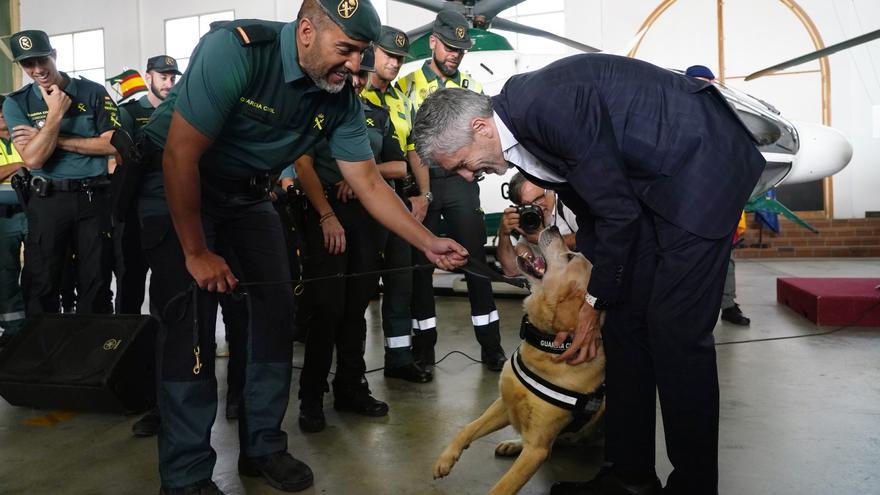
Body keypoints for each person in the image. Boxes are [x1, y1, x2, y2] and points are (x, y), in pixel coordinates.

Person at [138, 1, 466, 493]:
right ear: (307, 31)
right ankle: (185, 475)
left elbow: (370, 184)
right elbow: (180, 153)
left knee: (275, 315)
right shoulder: (239, 51)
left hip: (249, 196)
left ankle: (264, 445)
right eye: (347, 50)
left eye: (362, 54)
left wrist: (428, 242)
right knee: (191, 331)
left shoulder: (340, 98)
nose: (356, 65)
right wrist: (196, 251)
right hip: (180, 185)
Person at [411, 53, 765, 495]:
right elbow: (598, 212)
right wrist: (601, 299)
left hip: (701, 169)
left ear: (481, 128)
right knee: (626, 326)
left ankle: (693, 487)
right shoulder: (519, 134)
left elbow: (616, 211)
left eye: (462, 163)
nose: (467, 176)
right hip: (650, 191)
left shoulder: (545, 108)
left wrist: (592, 302)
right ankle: (629, 476)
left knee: (675, 334)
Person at [295, 49, 408, 432]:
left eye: (363, 77)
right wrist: (326, 214)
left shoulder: (374, 114)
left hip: (365, 214)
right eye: (354, 75)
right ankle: (311, 396)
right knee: (326, 308)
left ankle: (350, 387)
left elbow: (401, 165)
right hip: (325, 212)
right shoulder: (317, 108)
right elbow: (303, 164)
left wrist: (363, 175)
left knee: (357, 305)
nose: (357, 82)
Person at [397, 10, 506, 372]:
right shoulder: (407, 86)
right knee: (421, 266)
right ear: (433, 43)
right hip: (423, 182)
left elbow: (487, 136)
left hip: (460, 184)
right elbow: (402, 141)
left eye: (460, 49)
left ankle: (490, 346)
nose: (454, 55)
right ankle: (424, 349)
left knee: (474, 260)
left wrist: (477, 169)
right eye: (448, 47)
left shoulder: (472, 86)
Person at [3, 29, 118, 316]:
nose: (38, 70)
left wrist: (54, 138)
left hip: (94, 198)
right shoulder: (17, 102)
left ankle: (93, 357)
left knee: (96, 281)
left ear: (54, 55)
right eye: (28, 64)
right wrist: (55, 113)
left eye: (42, 60)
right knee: (41, 283)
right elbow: (33, 159)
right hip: (48, 202)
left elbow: (113, 144)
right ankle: (42, 358)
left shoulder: (92, 92)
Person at [361, 26, 432, 383]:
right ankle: (350, 371)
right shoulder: (356, 93)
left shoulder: (402, 100)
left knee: (401, 283)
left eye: (400, 59)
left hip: (398, 195)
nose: (394, 63)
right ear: (373, 52)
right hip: (361, 200)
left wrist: (423, 194)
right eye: (389, 56)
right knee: (358, 288)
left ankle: (399, 357)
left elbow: (411, 151)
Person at [684, 65, 751, 327]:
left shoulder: (727, 116)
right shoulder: (676, 115)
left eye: (706, 83)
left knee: (725, 257)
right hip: (684, 202)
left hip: (720, 198)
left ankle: (727, 304)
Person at [115, 55, 182, 318]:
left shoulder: (182, 113)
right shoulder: (130, 112)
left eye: (172, 78)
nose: (168, 83)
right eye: (162, 77)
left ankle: (163, 345)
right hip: (136, 210)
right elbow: (124, 159)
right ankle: (126, 345)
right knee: (130, 280)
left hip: (172, 207)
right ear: (148, 77)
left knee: (168, 282)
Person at [496, 172, 578, 277]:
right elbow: (512, 270)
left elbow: (592, 239)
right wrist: (503, 234)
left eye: (541, 197)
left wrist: (543, 239)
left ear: (550, 190)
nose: (540, 206)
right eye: (529, 205)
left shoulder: (568, 206)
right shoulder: (529, 223)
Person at [0, 97, 27, 347]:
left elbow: (37, 162)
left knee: (40, 269)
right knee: (6, 272)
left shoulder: (24, 136)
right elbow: (27, 163)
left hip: (31, 211)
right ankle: (12, 328)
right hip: (3, 218)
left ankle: (38, 321)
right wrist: (18, 163)